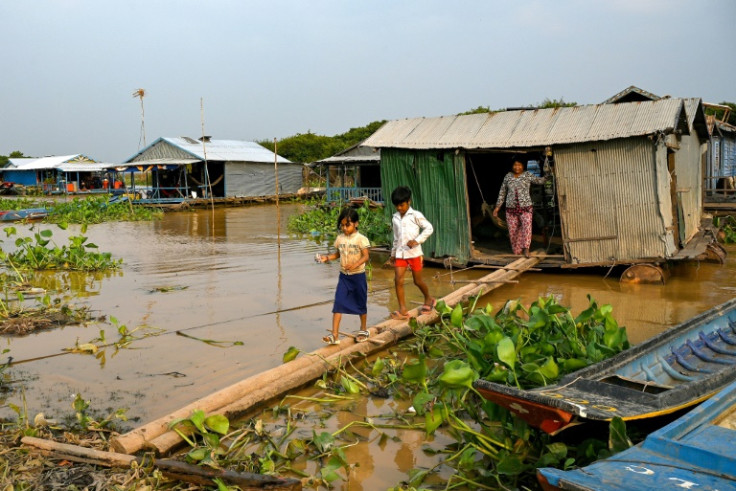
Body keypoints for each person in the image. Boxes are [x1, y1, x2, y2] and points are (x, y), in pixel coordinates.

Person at [316, 207, 371, 345]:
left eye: (348, 225)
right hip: (344, 277)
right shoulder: (340, 238)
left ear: (356, 224)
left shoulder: (361, 239)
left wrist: (355, 264)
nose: (345, 228)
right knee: (338, 303)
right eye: (342, 225)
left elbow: (366, 256)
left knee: (360, 302)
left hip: (358, 276)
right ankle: (335, 335)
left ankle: (363, 329)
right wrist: (326, 258)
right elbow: (337, 254)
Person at [389, 186, 435, 320]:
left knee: (417, 281)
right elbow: (396, 238)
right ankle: (402, 309)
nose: (399, 208)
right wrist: (393, 254)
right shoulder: (395, 218)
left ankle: (429, 299)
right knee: (398, 279)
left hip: (414, 253)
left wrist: (417, 240)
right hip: (400, 253)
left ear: (409, 202)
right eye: (397, 205)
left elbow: (429, 228)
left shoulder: (416, 215)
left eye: (401, 205)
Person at [493, 156, 549, 258]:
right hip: (511, 209)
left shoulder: (527, 175)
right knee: (513, 231)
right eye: (515, 165)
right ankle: (517, 252)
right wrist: (497, 208)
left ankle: (526, 249)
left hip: (526, 207)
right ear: (512, 166)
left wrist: (547, 174)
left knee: (526, 228)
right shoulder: (508, 177)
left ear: (523, 166)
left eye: (519, 165)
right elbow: (502, 192)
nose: (517, 167)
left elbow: (540, 181)